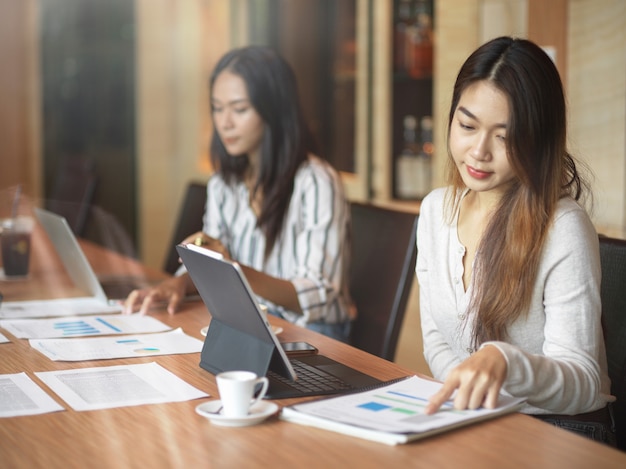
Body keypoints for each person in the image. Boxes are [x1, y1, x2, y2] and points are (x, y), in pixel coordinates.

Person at [416, 36, 615, 444]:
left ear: (538, 138)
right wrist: (466, 400)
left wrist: (504, 362)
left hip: (563, 433)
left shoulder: (562, 227)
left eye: (504, 137)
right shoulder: (436, 211)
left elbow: (584, 379)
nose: (478, 152)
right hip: (477, 422)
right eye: (467, 126)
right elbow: (435, 336)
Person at [124, 46, 354, 342]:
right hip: (252, 325)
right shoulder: (223, 182)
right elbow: (213, 255)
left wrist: (230, 268)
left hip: (313, 337)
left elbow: (317, 296)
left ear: (274, 110)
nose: (225, 123)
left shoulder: (316, 181)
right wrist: (178, 285)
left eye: (240, 109)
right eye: (218, 108)